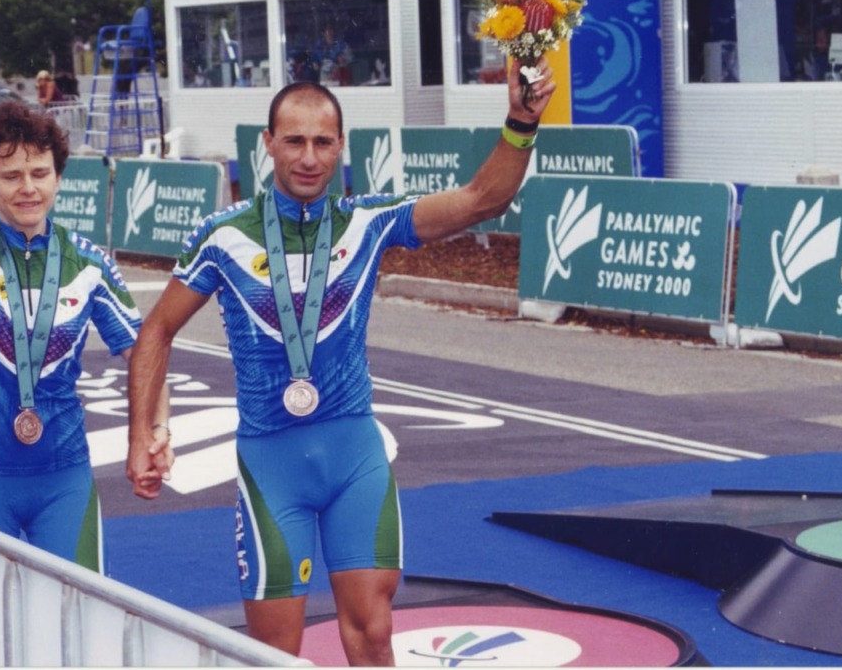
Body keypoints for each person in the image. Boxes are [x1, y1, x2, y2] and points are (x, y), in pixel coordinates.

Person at [126, 60, 554, 664]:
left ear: (341, 145)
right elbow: (156, 330)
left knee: (373, 633)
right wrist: (142, 434)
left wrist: (521, 122)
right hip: (272, 464)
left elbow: (483, 199)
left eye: (323, 142)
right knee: (275, 652)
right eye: (294, 141)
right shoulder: (223, 235)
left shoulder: (369, 222)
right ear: (268, 143)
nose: (308, 158)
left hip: (355, 456)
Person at [0, 10, 172, 571]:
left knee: (73, 619)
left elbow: (147, 351)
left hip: (62, 477)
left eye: (40, 174)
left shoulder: (88, 262)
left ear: (58, 178)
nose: (28, 188)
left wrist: (154, 430)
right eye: (11, 176)